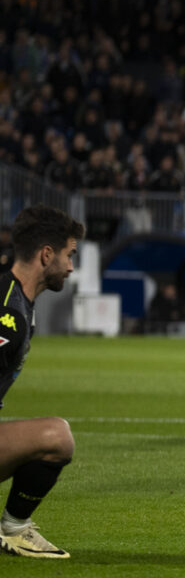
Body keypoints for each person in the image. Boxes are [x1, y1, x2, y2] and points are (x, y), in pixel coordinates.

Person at [0, 205, 84, 558]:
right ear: (46, 254)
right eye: (68, 255)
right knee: (57, 437)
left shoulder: (15, 299)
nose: (70, 266)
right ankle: (14, 529)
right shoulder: (8, 313)